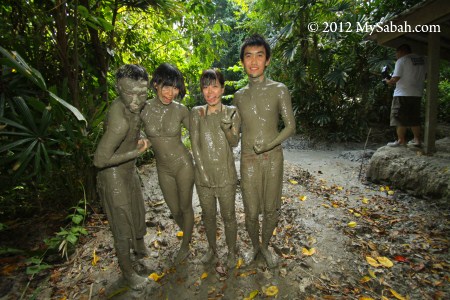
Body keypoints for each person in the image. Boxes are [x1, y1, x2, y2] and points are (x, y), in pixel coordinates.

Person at [233, 34, 296, 268]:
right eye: (248, 56)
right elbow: (234, 135)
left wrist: (270, 144)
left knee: (271, 208)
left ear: (267, 60)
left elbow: (290, 126)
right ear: (242, 62)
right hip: (248, 158)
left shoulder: (280, 90)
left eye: (259, 55)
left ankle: (266, 246)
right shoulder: (238, 96)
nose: (254, 61)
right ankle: (254, 247)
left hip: (273, 157)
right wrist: (227, 128)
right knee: (250, 210)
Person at [93, 64, 150, 290]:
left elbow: (136, 128)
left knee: (137, 210)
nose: (136, 100)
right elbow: (99, 160)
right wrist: (135, 152)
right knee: (122, 225)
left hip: (129, 170)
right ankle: (128, 273)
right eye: (129, 93)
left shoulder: (134, 110)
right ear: (118, 89)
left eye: (142, 94)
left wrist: (141, 137)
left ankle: (140, 250)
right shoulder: (120, 122)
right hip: (113, 175)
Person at [140, 63, 194, 264]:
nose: (171, 93)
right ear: (155, 84)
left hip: (183, 164)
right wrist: (140, 138)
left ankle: (186, 244)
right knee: (175, 210)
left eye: (175, 88)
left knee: (186, 206)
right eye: (166, 86)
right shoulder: (143, 109)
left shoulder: (181, 110)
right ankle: (188, 231)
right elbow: (133, 130)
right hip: (163, 168)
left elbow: (197, 134)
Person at [190, 69, 241, 269]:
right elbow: (194, 145)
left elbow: (235, 142)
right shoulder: (197, 112)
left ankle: (230, 251)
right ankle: (212, 249)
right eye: (205, 87)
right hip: (203, 177)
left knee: (229, 216)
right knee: (208, 215)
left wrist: (227, 126)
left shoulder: (232, 111)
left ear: (222, 89)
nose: (210, 92)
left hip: (226, 175)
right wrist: (202, 172)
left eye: (215, 86)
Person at [385, 44, 426, 147]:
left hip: (402, 94)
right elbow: (426, 75)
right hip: (417, 93)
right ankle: (417, 140)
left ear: (401, 51)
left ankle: (401, 140)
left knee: (399, 117)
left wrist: (388, 81)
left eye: (396, 53)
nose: (396, 55)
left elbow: (395, 79)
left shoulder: (402, 60)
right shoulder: (422, 60)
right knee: (414, 117)